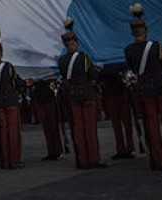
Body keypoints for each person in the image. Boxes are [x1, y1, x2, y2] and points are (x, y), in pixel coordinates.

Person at [124, 3, 162, 171]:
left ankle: (158, 160)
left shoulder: (129, 50)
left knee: (152, 126)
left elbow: (133, 70)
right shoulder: (157, 46)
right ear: (146, 31)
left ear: (132, 33)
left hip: (145, 89)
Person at [58, 17, 105, 169]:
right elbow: (92, 75)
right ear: (75, 42)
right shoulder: (84, 57)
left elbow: (64, 75)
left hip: (72, 96)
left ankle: (82, 160)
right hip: (86, 95)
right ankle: (93, 159)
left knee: (78, 128)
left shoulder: (62, 61)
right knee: (90, 128)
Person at [0, 28, 24, 169]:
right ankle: (14, 159)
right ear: (1, 53)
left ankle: (5, 160)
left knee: (2, 131)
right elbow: (17, 81)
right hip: (11, 102)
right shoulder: (8, 66)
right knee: (13, 131)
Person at [100, 64, 135, 159]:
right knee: (119, 123)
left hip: (116, 91)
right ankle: (124, 148)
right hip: (114, 91)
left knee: (123, 122)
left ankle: (126, 147)